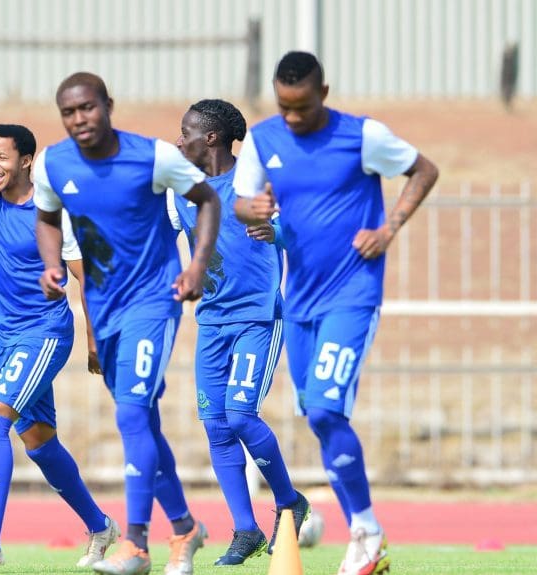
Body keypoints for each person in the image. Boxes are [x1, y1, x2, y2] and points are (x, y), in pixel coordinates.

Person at [234, 51, 439, 575]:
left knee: (326, 409)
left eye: (302, 107)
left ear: (324, 92)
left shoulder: (362, 136)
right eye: (284, 107)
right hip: (299, 300)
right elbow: (241, 202)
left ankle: (367, 532)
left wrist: (389, 228)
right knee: (318, 416)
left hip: (352, 294)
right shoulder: (263, 139)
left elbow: (423, 169)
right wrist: (252, 210)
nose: (293, 117)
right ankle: (367, 536)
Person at [33, 72, 221, 575]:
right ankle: (184, 529)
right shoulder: (53, 163)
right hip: (105, 307)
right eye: (69, 112)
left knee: (131, 414)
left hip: (153, 302)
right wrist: (52, 264)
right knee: (143, 424)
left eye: (87, 109)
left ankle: (136, 544)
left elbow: (207, 199)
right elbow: (47, 218)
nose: (79, 120)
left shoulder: (153, 156)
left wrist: (196, 266)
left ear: (107, 106)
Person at [0, 124, 119, 568]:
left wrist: (94, 341)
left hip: (46, 333)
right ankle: (101, 525)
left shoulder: (52, 214)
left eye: (2, 157)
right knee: (40, 442)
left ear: (27, 161)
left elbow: (86, 278)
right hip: (8, 340)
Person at [168, 99, 309, 566]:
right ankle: (245, 529)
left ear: (210, 138)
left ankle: (290, 501)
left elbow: (301, 234)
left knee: (241, 415)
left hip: (257, 319)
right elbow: (163, 244)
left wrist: (278, 233)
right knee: (215, 425)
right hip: (211, 322)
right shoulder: (180, 190)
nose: (177, 138)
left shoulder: (257, 185)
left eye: (185, 131)